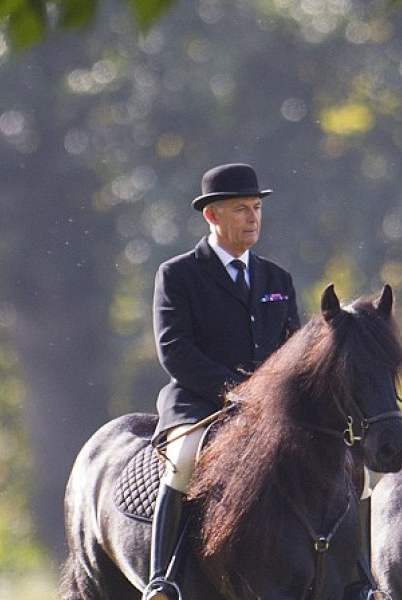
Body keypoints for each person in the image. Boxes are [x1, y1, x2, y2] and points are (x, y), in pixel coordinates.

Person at [143, 163, 301, 600]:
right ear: (212, 216)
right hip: (200, 404)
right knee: (185, 460)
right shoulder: (177, 275)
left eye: (256, 208)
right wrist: (235, 392)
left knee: (340, 465)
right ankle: (163, 576)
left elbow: (294, 351)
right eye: (240, 210)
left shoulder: (277, 279)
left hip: (268, 410)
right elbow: (175, 350)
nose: (253, 218)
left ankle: (359, 577)